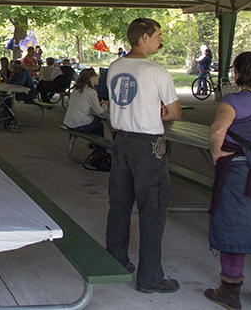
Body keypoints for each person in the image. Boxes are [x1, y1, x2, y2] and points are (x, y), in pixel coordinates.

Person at [106, 18, 182, 294]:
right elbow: (174, 113)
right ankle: (150, 277)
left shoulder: (115, 67)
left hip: (121, 141)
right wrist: (157, 111)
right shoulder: (157, 72)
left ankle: (114, 260)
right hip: (147, 145)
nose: (161, 40)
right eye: (158, 35)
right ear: (144, 38)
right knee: (152, 209)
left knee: (120, 204)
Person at [203, 52, 251, 309]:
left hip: (240, 171)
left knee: (234, 225)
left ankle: (230, 291)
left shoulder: (234, 100)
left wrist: (216, 152)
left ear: (237, 73)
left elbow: (218, 130)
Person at [63, 68, 109, 170]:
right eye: (96, 75)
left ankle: (94, 146)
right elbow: (99, 111)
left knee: (95, 121)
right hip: (78, 125)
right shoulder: (91, 91)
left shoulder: (77, 89)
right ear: (91, 78)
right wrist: (105, 105)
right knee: (99, 124)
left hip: (69, 122)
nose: (98, 77)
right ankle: (100, 153)